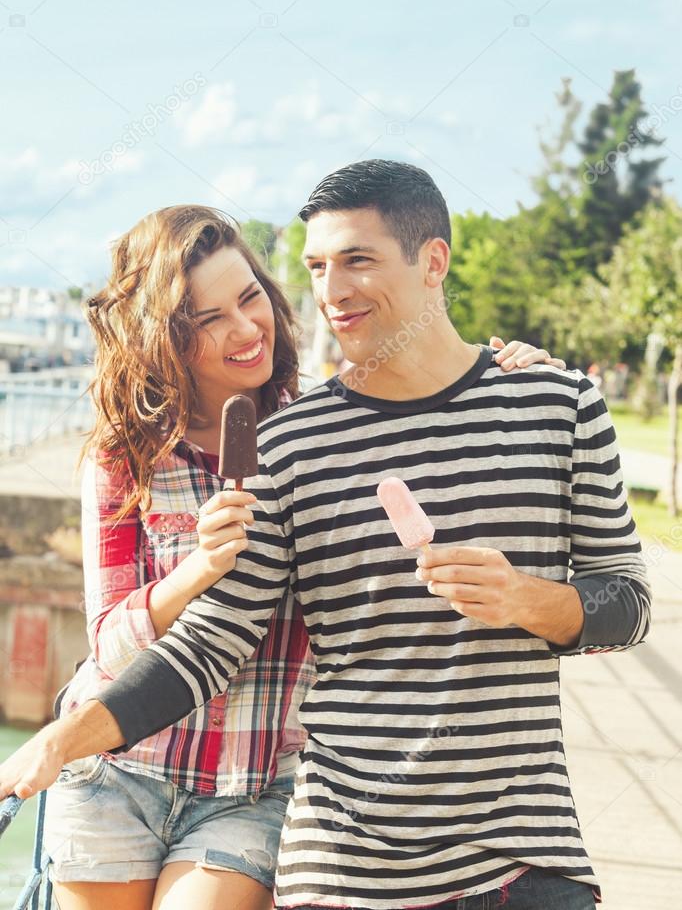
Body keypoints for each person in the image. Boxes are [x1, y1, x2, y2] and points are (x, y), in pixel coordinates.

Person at [0, 159, 649, 908]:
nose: (333, 291)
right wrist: (60, 738)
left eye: (358, 260)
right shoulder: (292, 442)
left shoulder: (560, 405)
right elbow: (208, 645)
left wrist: (528, 599)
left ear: (434, 260)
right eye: (316, 266)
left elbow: (628, 604)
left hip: (519, 856)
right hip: (342, 866)